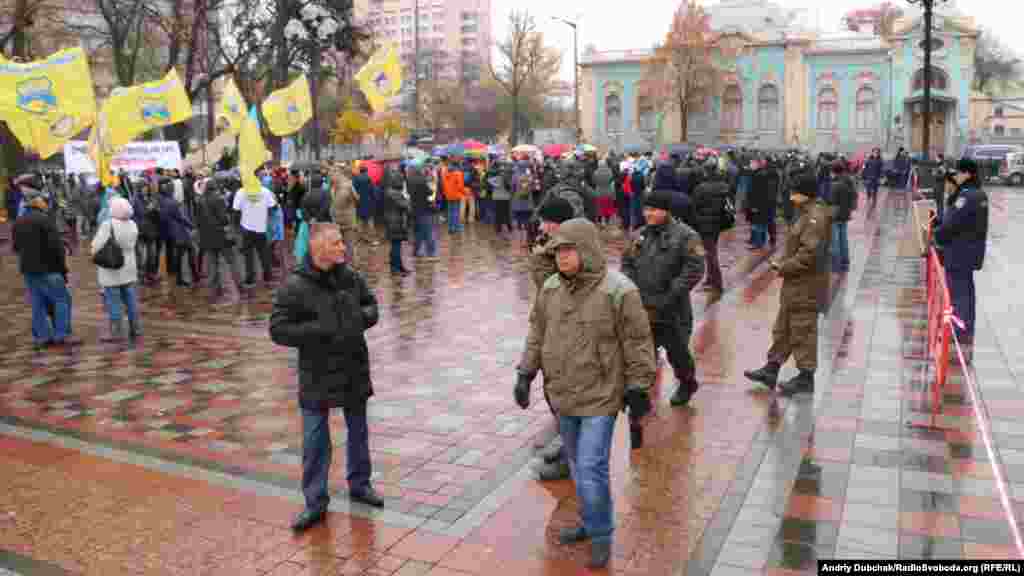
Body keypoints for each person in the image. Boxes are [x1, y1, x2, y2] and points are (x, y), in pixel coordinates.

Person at [515, 218, 656, 570]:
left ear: (587, 250)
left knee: (592, 467)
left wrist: (639, 385)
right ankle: (590, 521)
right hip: (562, 394)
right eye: (557, 251)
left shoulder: (619, 291)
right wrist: (525, 372)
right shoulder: (550, 288)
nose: (561, 258)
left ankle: (601, 535)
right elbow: (537, 332)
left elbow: (638, 343)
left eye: (568, 250)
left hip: (600, 396)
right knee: (579, 467)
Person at [269, 223, 384, 533]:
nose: (343, 248)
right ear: (318, 248)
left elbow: (372, 305)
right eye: (336, 243)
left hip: (352, 367)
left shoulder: (349, 276)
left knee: (358, 430)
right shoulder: (295, 286)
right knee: (315, 439)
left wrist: (359, 319)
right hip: (317, 373)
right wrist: (317, 330)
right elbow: (278, 330)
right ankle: (315, 501)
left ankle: (360, 484)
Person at [622, 189, 706, 407]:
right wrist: (631, 288)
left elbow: (695, 268)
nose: (648, 214)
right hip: (643, 307)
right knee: (642, 354)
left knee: (677, 354)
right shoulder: (640, 235)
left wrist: (672, 292)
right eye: (646, 209)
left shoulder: (686, 235)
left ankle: (687, 382)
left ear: (666, 211)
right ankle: (640, 394)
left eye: (654, 209)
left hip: (672, 309)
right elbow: (627, 263)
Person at [743, 173, 824, 395]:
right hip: (795, 284)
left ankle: (806, 378)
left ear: (804, 193)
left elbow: (810, 254)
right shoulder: (805, 213)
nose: (790, 196)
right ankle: (771, 369)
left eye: (793, 192)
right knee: (784, 328)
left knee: (803, 330)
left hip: (806, 285)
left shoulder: (815, 217)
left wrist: (784, 266)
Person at [527, 196, 577, 481]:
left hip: (567, 328)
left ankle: (571, 459)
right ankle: (566, 445)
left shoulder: (569, 251)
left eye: (548, 221)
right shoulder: (547, 244)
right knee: (554, 388)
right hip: (550, 321)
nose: (543, 225)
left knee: (567, 391)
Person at [933, 157, 988, 363]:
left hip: (959, 252)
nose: (956, 175)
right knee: (966, 289)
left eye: (959, 172)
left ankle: (959, 328)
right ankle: (966, 326)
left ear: (968, 174)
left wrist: (937, 233)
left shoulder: (966, 197)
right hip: (970, 252)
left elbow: (950, 225)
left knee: (957, 292)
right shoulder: (979, 194)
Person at [12, 191, 79, 348]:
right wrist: (63, 270)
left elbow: (15, 247)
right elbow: (56, 248)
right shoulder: (45, 220)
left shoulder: (19, 221)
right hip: (49, 268)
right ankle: (61, 335)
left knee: (37, 303)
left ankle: (42, 337)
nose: (46, 203)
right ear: (37, 202)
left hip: (29, 269)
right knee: (62, 300)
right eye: (43, 200)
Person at [90, 196, 141, 343]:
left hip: (112, 267)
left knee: (113, 300)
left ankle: (116, 331)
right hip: (129, 266)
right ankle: (135, 327)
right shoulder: (132, 224)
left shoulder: (108, 224)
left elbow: (97, 245)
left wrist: (93, 250)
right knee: (131, 299)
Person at [196, 179, 242, 300]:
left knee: (212, 264)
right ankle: (240, 286)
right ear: (215, 187)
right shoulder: (218, 199)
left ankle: (214, 290)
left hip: (207, 238)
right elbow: (223, 219)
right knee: (232, 261)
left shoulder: (200, 200)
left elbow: (198, 222)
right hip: (221, 236)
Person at [233, 180, 277, 288]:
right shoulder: (265, 191)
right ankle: (267, 276)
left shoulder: (241, 192)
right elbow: (273, 207)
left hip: (246, 227)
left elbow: (235, 209)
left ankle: (250, 279)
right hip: (261, 227)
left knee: (248, 255)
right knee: (263, 253)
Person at [830, 159, 857, 273]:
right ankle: (845, 261)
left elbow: (833, 202)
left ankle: (836, 265)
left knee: (835, 241)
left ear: (834, 171)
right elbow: (854, 196)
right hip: (845, 214)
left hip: (836, 215)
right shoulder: (849, 181)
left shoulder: (836, 185)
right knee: (843, 239)